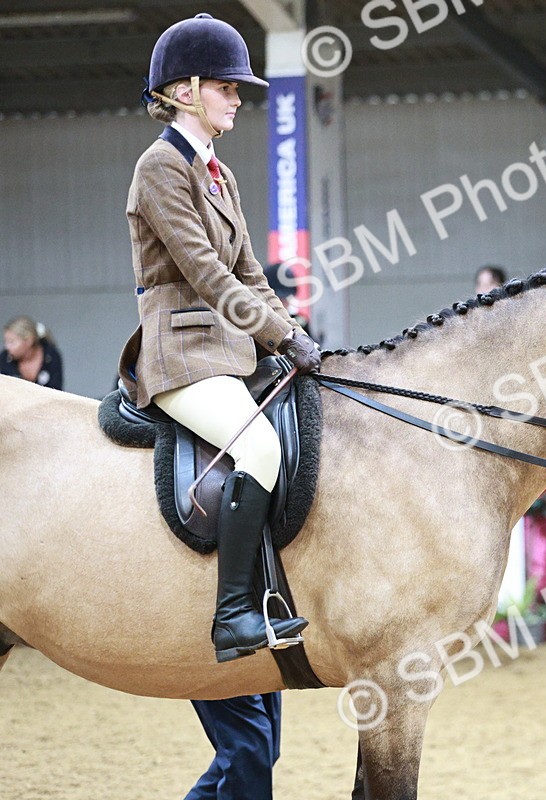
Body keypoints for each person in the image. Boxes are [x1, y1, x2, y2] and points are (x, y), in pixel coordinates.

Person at [116, 14, 322, 799]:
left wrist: (294, 333)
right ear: (183, 90)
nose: (238, 99)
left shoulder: (219, 173)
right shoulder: (159, 168)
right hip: (180, 353)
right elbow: (205, 275)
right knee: (261, 451)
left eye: (237, 87)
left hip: (230, 352)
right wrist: (274, 331)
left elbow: (252, 272)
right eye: (227, 86)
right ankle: (235, 613)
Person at [3, 316, 64, 390]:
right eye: (6, 342)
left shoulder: (50, 357)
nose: (7, 347)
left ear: (29, 341)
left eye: (12, 342)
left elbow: (56, 391)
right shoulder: (4, 359)